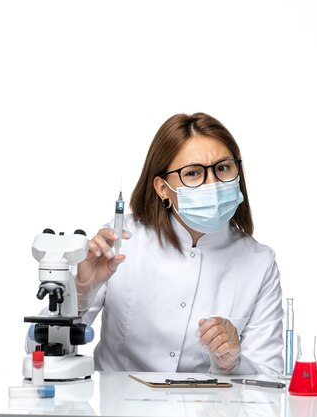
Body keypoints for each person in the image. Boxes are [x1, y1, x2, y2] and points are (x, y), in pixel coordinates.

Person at [54, 113, 283, 375]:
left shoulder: (258, 263)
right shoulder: (120, 241)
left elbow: (270, 381)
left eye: (222, 168)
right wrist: (81, 291)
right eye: (193, 173)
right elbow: (36, 348)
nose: (213, 184)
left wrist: (231, 362)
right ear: (163, 188)